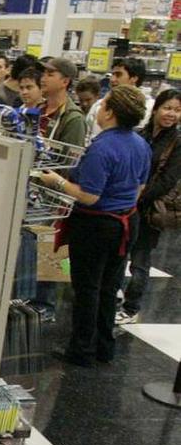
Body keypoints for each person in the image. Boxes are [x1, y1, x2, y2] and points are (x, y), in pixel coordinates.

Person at [37, 85, 151, 367]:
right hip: (126, 221)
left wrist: (56, 181)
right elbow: (140, 187)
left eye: (103, 105)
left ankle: (81, 350)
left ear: (110, 112)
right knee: (109, 287)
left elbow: (89, 194)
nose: (98, 109)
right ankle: (104, 346)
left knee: (87, 288)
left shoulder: (103, 147)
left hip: (96, 225)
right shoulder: (140, 145)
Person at [116, 89, 181, 325]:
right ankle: (116, 296)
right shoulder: (140, 134)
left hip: (149, 210)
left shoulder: (177, 143)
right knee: (120, 255)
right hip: (126, 205)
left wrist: (138, 196)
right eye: (167, 108)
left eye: (177, 110)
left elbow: (167, 181)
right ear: (156, 109)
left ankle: (131, 307)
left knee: (140, 260)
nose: (171, 114)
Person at [86, 58, 152, 136]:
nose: (112, 79)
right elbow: (87, 133)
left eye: (118, 75)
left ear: (134, 78)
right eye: (112, 74)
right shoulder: (100, 104)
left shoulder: (148, 108)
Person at [38, 57, 87, 147]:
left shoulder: (74, 119)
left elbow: (70, 159)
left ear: (65, 81)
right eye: (43, 74)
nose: (43, 79)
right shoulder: (39, 108)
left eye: (50, 75)